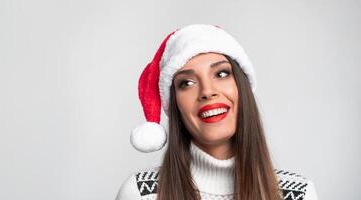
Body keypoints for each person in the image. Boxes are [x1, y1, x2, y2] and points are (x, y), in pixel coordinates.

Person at [115, 24, 318, 200]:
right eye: (187, 83)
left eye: (221, 74)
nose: (207, 91)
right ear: (175, 103)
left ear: (242, 87)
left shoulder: (297, 194)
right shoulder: (141, 193)